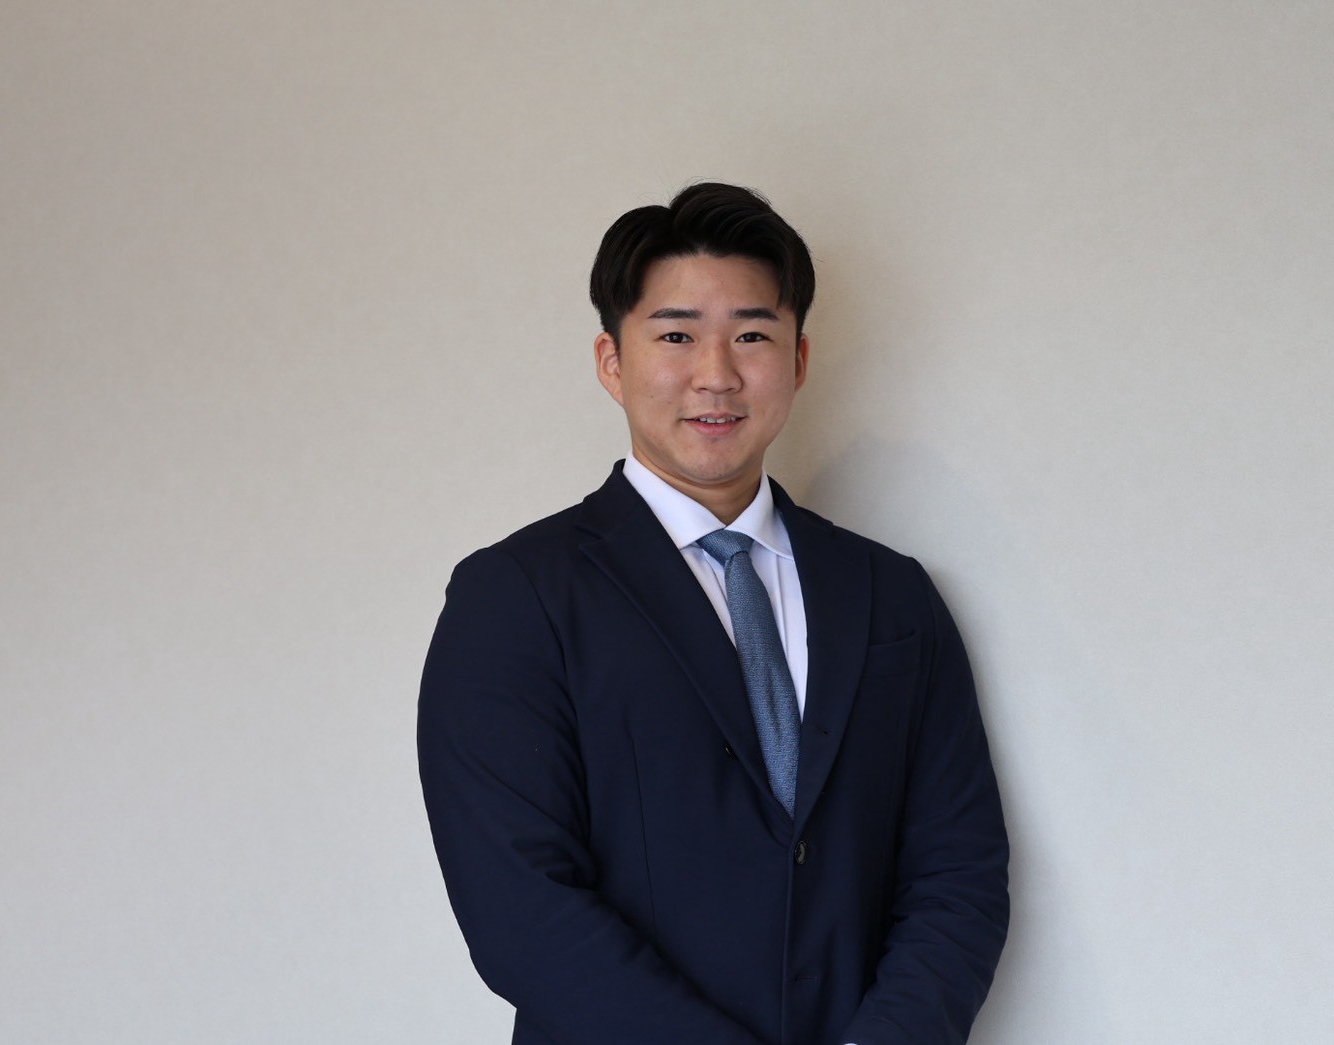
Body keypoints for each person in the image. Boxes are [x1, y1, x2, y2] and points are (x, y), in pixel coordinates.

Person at [418, 182, 1009, 1045]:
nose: (717, 374)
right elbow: (518, 904)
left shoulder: (890, 594)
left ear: (798, 360)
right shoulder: (515, 596)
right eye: (676, 335)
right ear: (611, 361)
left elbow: (957, 870)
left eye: (752, 335)